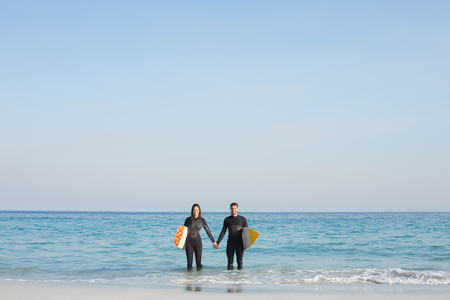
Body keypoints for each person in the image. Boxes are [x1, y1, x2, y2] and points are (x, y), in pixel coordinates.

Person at [184, 204, 218, 270]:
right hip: (188, 243)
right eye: (194, 210)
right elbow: (183, 232)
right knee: (189, 263)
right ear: (192, 211)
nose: (195, 211)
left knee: (198, 263)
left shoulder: (202, 220)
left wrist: (213, 241)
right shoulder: (188, 220)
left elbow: (208, 231)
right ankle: (189, 279)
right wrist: (180, 244)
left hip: (198, 243)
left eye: (197, 210)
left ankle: (199, 279)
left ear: (199, 211)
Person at [215, 202, 248, 270]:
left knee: (240, 263)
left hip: (240, 244)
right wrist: (217, 242)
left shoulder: (242, 219)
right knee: (230, 264)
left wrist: (247, 245)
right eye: (232, 209)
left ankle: (241, 279)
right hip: (230, 243)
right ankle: (230, 279)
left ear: (237, 208)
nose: (233, 210)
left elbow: (246, 232)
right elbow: (223, 232)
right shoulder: (227, 219)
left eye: (235, 208)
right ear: (230, 209)